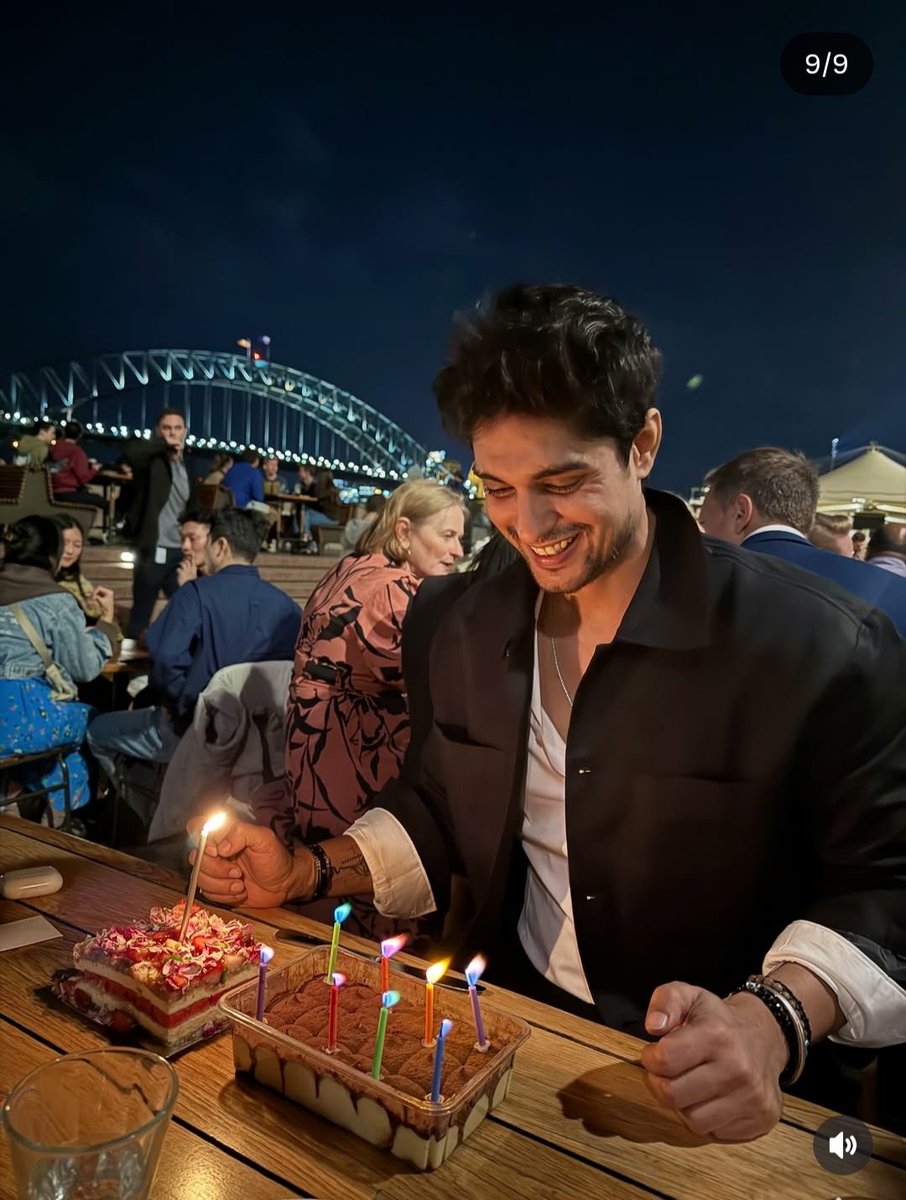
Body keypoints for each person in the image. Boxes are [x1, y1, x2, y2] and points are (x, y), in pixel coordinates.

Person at [192, 284, 906, 1143]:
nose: (529, 528)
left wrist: (770, 1021)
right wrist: (306, 872)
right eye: (497, 488)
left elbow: (886, 885)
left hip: (721, 1097)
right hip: (501, 1035)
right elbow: (439, 803)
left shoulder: (819, 647)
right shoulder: (454, 619)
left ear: (643, 443)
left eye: (561, 484)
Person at [266, 479, 465, 939]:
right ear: (403, 531)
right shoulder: (396, 590)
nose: (458, 550)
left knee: (329, 895)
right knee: (369, 912)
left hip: (314, 755)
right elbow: (431, 681)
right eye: (448, 535)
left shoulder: (349, 568)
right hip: (356, 765)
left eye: (462, 537)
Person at [87, 509, 301, 796]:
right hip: (260, 744)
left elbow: (164, 659)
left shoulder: (197, 594)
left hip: (195, 734)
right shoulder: (288, 608)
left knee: (97, 731)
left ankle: (140, 809)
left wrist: (189, 705)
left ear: (221, 546)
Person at [698, 447, 906, 635]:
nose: (701, 535)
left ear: (740, 513)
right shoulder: (896, 593)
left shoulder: (705, 590)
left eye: (705, 523)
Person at [0, 516, 115, 825]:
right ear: (52, 555)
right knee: (90, 720)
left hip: (13, 725)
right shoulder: (57, 601)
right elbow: (86, 668)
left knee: (41, 739)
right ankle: (61, 825)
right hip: (21, 719)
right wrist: (105, 625)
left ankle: (11, 807)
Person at [123, 408, 198, 639]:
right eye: (167, 428)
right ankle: (130, 669)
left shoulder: (189, 463)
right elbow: (131, 454)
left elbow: (192, 505)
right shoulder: (151, 461)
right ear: (158, 431)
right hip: (154, 548)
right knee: (141, 613)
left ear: (185, 431)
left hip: (180, 551)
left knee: (187, 609)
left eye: (177, 428)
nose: (172, 433)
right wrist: (162, 445)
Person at [52, 515, 117, 628]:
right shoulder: (38, 581)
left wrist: (97, 609)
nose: (70, 551)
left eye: (77, 545)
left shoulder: (81, 582)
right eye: (65, 543)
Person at [48, 421, 105, 511]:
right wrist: (94, 469)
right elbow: (83, 478)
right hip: (68, 493)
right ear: (79, 436)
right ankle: (117, 523)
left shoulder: (52, 448)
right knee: (103, 502)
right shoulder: (77, 452)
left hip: (51, 492)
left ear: (64, 433)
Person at [175, 510, 213, 586]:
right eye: (182, 539)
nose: (185, 546)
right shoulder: (185, 575)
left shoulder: (225, 580)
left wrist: (189, 587)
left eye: (193, 539)